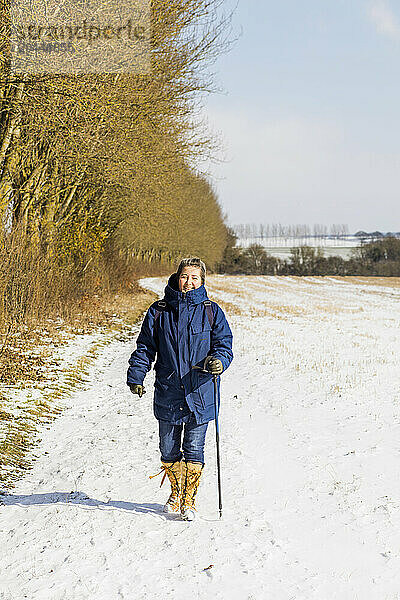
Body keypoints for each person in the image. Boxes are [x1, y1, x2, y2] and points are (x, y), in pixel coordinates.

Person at [127, 257, 233, 520]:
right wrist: (136, 375)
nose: (189, 282)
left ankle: (189, 500)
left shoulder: (212, 311)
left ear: (202, 281)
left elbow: (224, 345)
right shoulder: (159, 311)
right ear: (177, 277)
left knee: (195, 448)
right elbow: (145, 347)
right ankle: (176, 491)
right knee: (168, 449)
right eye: (185, 276)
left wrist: (219, 361)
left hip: (201, 391)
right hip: (169, 390)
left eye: (195, 277)